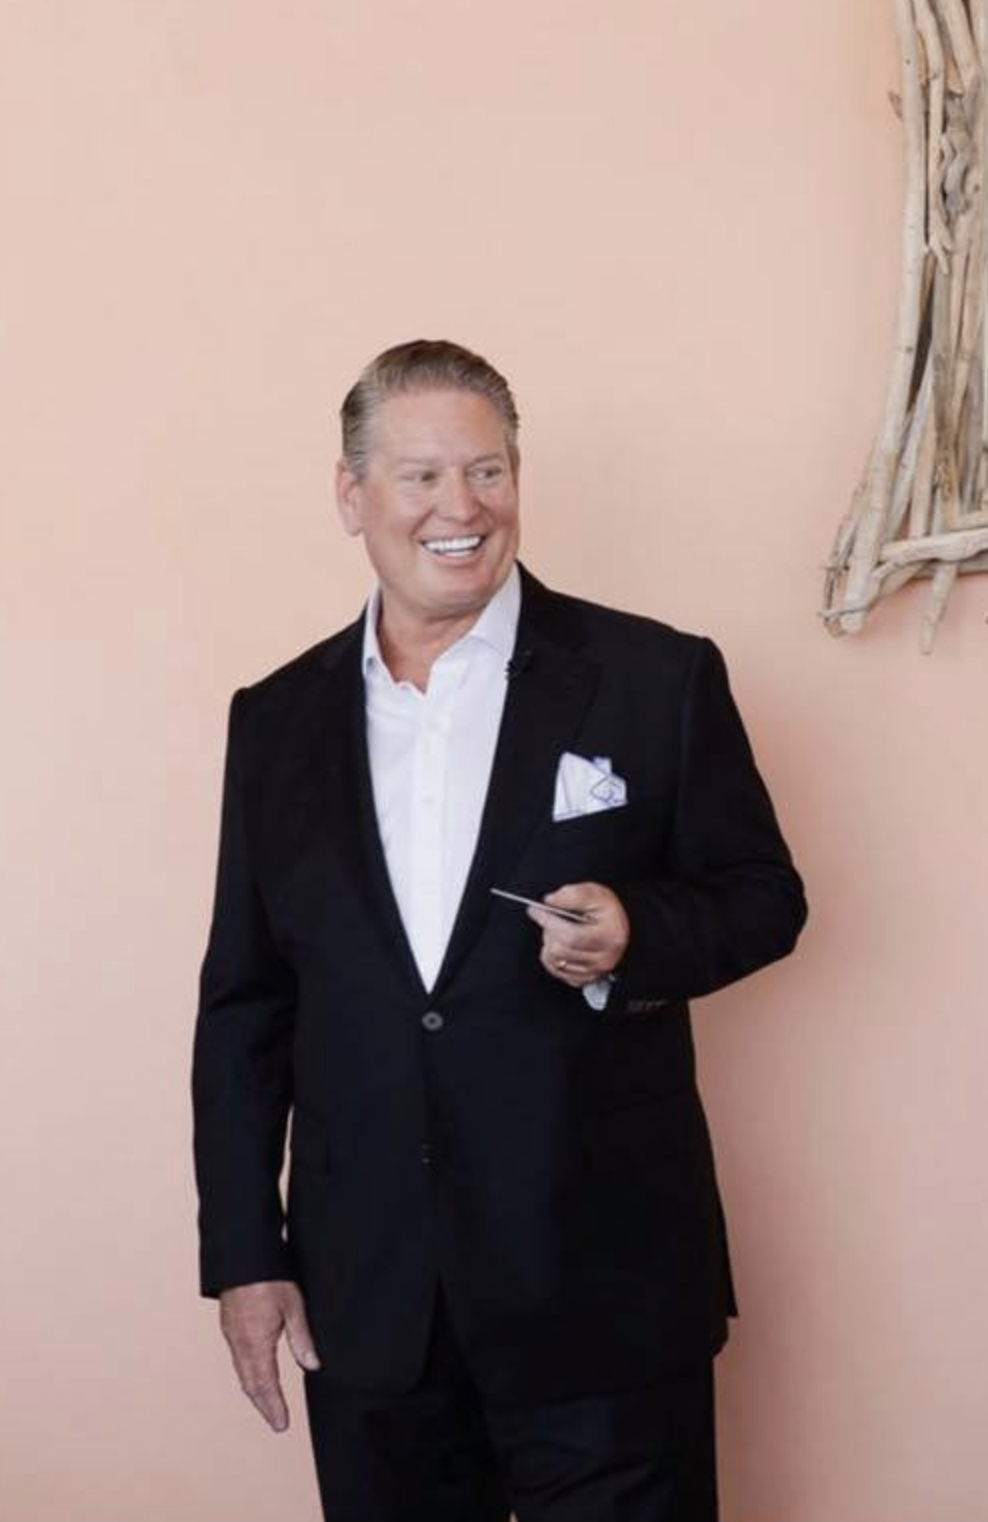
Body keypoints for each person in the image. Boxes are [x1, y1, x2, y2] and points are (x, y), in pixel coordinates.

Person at [191, 338, 807, 1522]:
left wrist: (639, 929)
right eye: (420, 476)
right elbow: (246, 1001)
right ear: (350, 494)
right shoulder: (273, 721)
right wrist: (245, 1251)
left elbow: (763, 894)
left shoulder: (653, 676)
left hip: (606, 1289)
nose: (459, 508)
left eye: (488, 471)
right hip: (371, 1301)